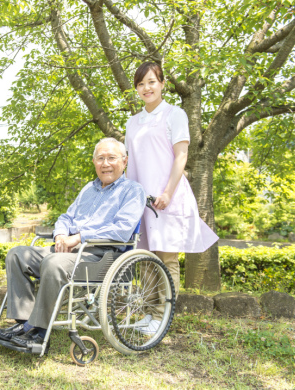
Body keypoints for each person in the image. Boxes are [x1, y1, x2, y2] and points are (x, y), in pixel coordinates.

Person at [0, 138, 145, 350]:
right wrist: (61, 234)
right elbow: (66, 217)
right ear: (94, 162)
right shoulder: (88, 190)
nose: (105, 163)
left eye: (111, 158)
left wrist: (80, 237)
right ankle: (23, 324)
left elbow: (122, 229)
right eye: (100, 158)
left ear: (124, 161)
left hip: (101, 255)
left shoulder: (132, 191)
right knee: (17, 255)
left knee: (54, 263)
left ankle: (38, 331)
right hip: (69, 249)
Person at [125, 61, 218, 334]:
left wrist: (167, 192)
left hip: (168, 196)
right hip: (141, 199)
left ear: (162, 83)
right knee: (145, 258)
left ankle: (161, 317)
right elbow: (132, 162)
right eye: (141, 84)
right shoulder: (132, 122)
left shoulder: (174, 114)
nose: (146, 88)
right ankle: (148, 313)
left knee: (166, 258)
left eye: (151, 81)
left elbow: (181, 156)